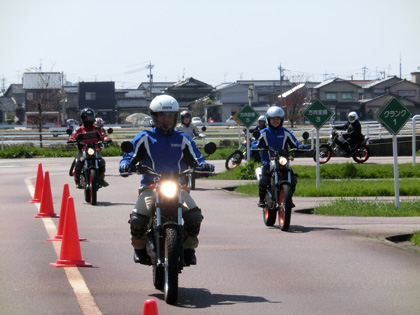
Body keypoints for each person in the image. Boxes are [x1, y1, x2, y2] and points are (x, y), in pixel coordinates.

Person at [119, 95, 214, 266]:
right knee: (138, 219)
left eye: (170, 115)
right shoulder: (144, 137)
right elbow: (130, 156)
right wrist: (125, 165)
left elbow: (197, 158)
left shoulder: (183, 138)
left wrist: (204, 165)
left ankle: (188, 248)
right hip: (151, 186)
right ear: (154, 116)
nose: (166, 119)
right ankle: (139, 249)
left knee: (194, 217)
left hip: (178, 187)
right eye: (162, 115)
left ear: (176, 117)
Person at [255, 106, 308, 208]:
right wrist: (256, 146)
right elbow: (255, 143)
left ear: (281, 120)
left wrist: (301, 146)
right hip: (268, 161)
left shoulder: (286, 132)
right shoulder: (264, 132)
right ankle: (261, 199)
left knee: (293, 179)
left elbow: (295, 143)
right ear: (269, 119)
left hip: (282, 160)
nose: (275, 121)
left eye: (278, 119)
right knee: (264, 179)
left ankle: (288, 198)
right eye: (273, 119)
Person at [68, 108, 110, 188]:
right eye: (88, 117)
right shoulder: (79, 130)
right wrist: (71, 140)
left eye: (91, 117)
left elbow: (102, 135)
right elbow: (73, 136)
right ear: (83, 118)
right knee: (78, 163)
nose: (90, 119)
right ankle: (77, 181)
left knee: (101, 162)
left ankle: (101, 179)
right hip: (83, 150)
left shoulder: (96, 129)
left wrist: (106, 139)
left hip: (94, 150)